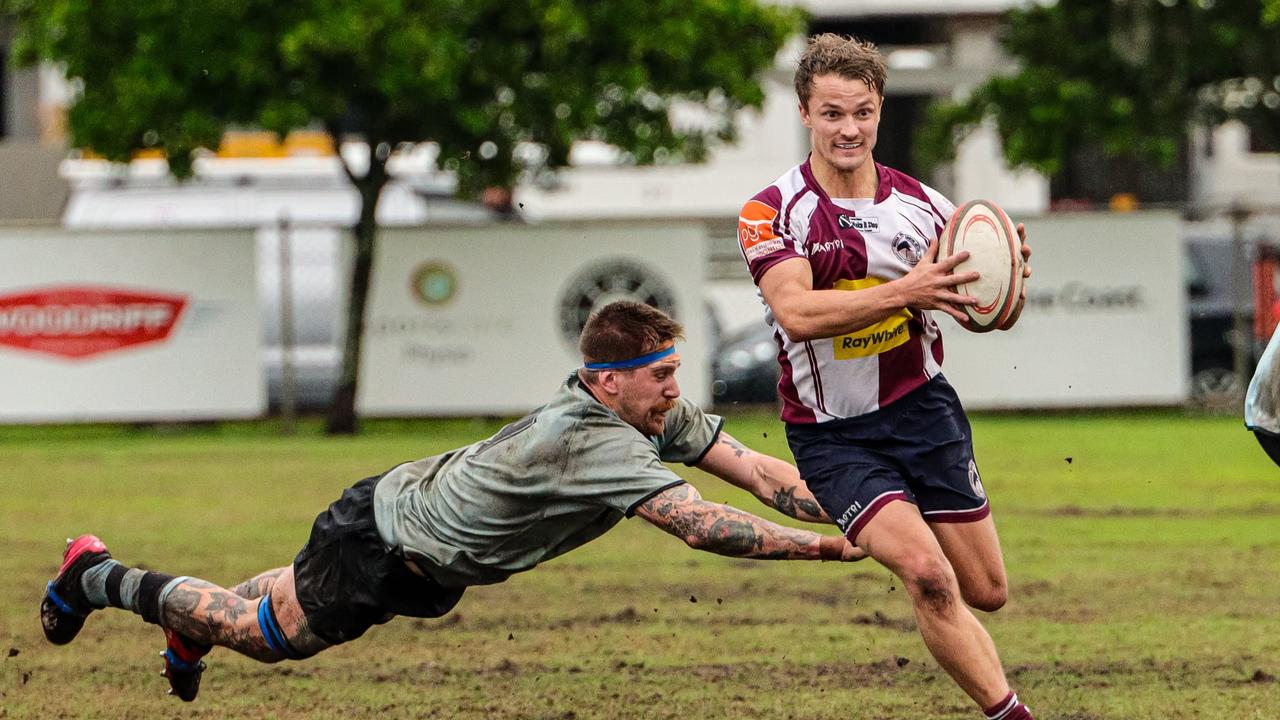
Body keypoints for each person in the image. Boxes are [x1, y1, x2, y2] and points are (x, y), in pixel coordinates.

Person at [40, 300, 862, 702]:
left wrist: (859, 505)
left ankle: (186, 623)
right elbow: (702, 526)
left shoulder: (639, 410)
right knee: (267, 639)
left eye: (675, 372)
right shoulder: (599, 439)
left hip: (409, 541)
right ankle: (97, 576)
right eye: (661, 377)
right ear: (607, 382)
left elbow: (755, 472)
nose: (675, 391)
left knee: (281, 595)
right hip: (386, 543)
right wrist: (826, 550)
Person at [736, 34, 1035, 720]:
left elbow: (985, 315)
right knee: (929, 577)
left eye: (862, 113)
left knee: (986, 590)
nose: (849, 129)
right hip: (834, 435)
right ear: (806, 113)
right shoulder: (771, 211)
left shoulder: (927, 206)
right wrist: (909, 291)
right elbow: (798, 311)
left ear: (878, 111)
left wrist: (1006, 278)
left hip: (924, 413)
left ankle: (885, 516)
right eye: (833, 113)